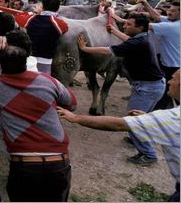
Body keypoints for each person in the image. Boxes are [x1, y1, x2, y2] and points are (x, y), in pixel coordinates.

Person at [0, 43, 76, 202]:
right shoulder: (48, 81)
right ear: (26, 63)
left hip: (24, 167)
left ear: (0, 65)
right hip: (58, 164)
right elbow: (72, 104)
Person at [57, 69, 180, 202]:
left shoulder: (171, 117)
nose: (169, 81)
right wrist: (149, 120)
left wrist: (76, 118)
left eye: (173, 78)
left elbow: (119, 124)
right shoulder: (172, 117)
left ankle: (148, 154)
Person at [78, 14, 165, 165]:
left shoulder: (137, 43)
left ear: (140, 27)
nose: (124, 26)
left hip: (146, 88)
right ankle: (135, 139)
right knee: (142, 118)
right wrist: (115, 32)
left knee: (134, 120)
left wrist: (85, 48)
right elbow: (129, 40)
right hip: (153, 85)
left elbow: (107, 51)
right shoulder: (145, 36)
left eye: (129, 25)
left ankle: (149, 154)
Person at [140, 0, 180, 109]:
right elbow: (157, 16)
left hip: (172, 67)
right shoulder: (173, 22)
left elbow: (142, 25)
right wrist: (145, 3)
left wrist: (121, 20)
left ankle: (158, 115)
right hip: (170, 64)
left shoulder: (171, 26)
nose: (169, 12)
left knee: (170, 93)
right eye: (169, 10)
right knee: (168, 92)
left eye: (173, 11)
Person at [17, 0, 68, 73]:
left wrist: (34, 13)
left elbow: (18, 17)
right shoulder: (59, 23)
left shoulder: (31, 18)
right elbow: (65, 28)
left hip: (29, 58)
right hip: (46, 61)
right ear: (58, 8)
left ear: (42, 6)